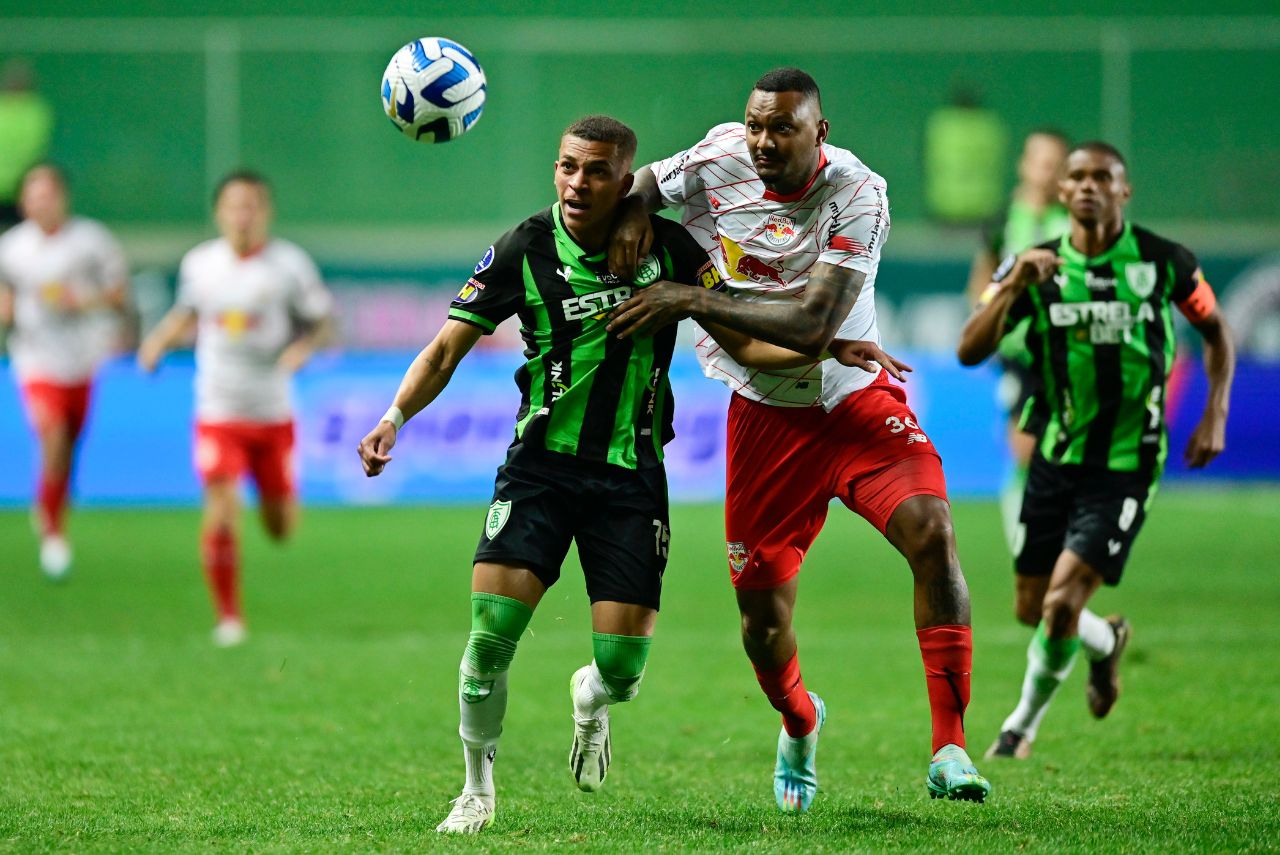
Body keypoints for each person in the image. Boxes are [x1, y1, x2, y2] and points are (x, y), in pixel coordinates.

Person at [605, 68, 991, 810]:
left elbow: (817, 325)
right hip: (762, 416)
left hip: (853, 399)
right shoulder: (719, 156)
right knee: (762, 621)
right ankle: (800, 721)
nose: (763, 140)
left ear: (821, 132)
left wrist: (685, 297)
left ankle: (950, 747)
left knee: (934, 532)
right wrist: (633, 213)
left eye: (782, 127)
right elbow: (644, 183)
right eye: (755, 123)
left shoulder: (858, 192)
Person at [956, 141, 1235, 759]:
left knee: (1058, 605)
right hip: (1056, 455)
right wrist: (1009, 289)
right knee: (1031, 607)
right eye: (1077, 177)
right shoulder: (1039, 265)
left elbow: (1215, 330)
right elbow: (968, 349)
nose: (1087, 187)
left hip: (1127, 463)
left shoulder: (1163, 263)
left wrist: (1214, 412)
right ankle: (1107, 643)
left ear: (1123, 191)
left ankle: (1018, 729)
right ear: (1062, 193)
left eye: (1101, 178)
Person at [138, 170, 333, 647]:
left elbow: (322, 324)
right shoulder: (200, 264)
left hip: (271, 411)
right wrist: (158, 342)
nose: (243, 215)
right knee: (222, 510)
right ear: (219, 212)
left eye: (252, 205)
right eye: (233, 205)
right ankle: (228, 618)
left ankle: (282, 496)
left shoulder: (289, 266)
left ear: (265, 212)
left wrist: (302, 350)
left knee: (280, 528)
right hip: (218, 407)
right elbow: (187, 312)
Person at [0, 163, 129, 579]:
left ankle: (52, 503)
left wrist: (85, 301)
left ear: (63, 198)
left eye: (48, 194)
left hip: (82, 357)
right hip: (35, 357)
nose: (41, 203)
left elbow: (118, 294)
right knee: (52, 435)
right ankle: (53, 533)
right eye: (33, 196)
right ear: (23, 202)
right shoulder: (11, 248)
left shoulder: (92, 241)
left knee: (68, 447)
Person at [966, 129, 1071, 553]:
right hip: (1021, 353)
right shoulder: (1004, 222)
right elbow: (981, 280)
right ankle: (1022, 524)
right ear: (1024, 164)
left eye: (1054, 163)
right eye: (1038, 160)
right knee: (1025, 447)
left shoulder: (1078, 221)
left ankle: (1059, 529)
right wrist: (988, 321)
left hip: (1070, 352)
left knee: (1066, 452)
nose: (1045, 171)